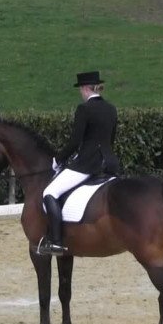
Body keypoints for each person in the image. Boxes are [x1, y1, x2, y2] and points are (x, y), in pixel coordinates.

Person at [38, 71, 121, 256]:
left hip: (87, 165)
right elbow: (111, 140)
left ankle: (56, 242)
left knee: (49, 192)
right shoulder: (111, 108)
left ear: (85, 89)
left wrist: (58, 160)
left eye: (80, 90)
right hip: (109, 164)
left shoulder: (84, 109)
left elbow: (75, 142)